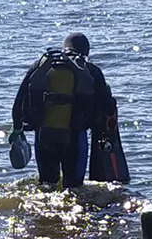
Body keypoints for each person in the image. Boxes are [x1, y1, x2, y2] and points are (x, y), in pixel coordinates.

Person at [10, 32, 115, 188]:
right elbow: (107, 108)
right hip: (75, 139)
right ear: (86, 52)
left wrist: (17, 129)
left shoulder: (41, 64)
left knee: (46, 186)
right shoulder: (91, 71)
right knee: (74, 190)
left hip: (44, 137)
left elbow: (18, 103)